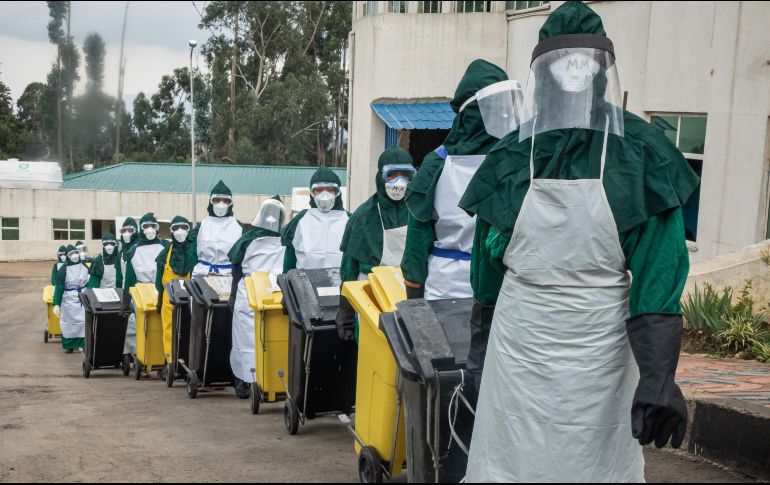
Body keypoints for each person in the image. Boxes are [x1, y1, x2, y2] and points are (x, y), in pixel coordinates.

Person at [460, 2, 700, 482]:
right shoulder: (512, 156)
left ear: (601, 69)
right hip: (519, 346)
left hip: (601, 348)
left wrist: (658, 374)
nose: (573, 72)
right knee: (511, 461)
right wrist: (480, 351)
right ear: (543, 70)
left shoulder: (638, 154)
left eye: (583, 63)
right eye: (562, 62)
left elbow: (660, 265)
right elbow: (486, 271)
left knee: (593, 465)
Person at [400, 59, 510, 301]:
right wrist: (414, 299)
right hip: (448, 291)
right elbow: (417, 239)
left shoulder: (511, 159)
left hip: (499, 290)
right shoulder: (438, 164)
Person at [336, 147, 416, 340]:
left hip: (411, 293)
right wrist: (346, 312)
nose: (398, 182)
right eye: (392, 175)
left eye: (405, 175)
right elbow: (348, 270)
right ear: (381, 177)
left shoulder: (419, 212)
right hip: (372, 295)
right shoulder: (363, 216)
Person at [227, 196, 287, 398]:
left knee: (252, 338)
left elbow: (235, 265)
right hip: (263, 291)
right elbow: (236, 265)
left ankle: (254, 381)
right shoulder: (281, 237)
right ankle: (255, 379)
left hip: (262, 291)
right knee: (257, 338)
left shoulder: (249, 237)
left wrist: (233, 293)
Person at [281, 167, 348, 272]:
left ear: (337, 192)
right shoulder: (300, 219)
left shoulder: (349, 220)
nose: (325, 195)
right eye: (319, 190)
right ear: (312, 193)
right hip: (304, 281)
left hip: (340, 281)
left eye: (330, 190)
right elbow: (289, 258)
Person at [120, 214, 168, 339]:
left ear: (157, 227)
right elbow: (129, 278)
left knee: (163, 326)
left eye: (152, 226)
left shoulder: (165, 246)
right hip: (142, 292)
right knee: (144, 327)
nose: (149, 229)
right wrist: (125, 304)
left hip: (162, 290)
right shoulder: (134, 250)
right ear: (141, 228)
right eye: (146, 226)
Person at [155, 216, 192, 373]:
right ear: (171, 231)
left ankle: (191, 361)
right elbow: (159, 280)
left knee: (190, 329)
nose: (180, 231)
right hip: (169, 299)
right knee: (169, 330)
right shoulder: (165, 253)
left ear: (189, 229)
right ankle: (170, 362)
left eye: (183, 227)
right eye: (176, 228)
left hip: (191, 297)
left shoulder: (194, 251)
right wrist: (159, 299)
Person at [188, 180, 245, 278]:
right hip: (202, 275)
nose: (221, 204)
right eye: (217, 200)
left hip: (229, 276)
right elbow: (192, 254)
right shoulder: (202, 225)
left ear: (231, 203)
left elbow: (244, 256)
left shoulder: (239, 227)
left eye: (225, 200)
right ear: (211, 201)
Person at [52, 244, 89, 353]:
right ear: (68, 256)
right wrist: (56, 304)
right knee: (68, 323)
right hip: (69, 298)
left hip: (82, 296)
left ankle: (83, 344)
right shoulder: (63, 269)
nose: (74, 255)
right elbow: (59, 286)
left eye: (76, 252)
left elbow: (90, 280)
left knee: (83, 321)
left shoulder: (84, 266)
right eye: (71, 254)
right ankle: (69, 346)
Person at [118, 217, 139, 358]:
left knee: (137, 322)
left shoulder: (138, 248)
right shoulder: (121, 251)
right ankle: (128, 353)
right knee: (127, 322)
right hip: (125, 290)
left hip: (137, 289)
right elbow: (119, 274)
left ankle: (139, 352)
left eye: (130, 230)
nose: (126, 233)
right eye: (124, 230)